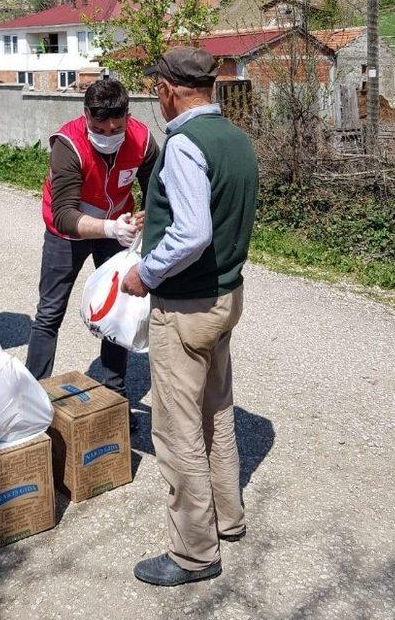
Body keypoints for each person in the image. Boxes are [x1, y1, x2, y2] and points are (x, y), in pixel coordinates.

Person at [121, 47, 258, 587]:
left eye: (155, 87)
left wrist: (145, 274)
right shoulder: (236, 139)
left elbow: (193, 232)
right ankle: (228, 517)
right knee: (215, 411)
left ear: (168, 89)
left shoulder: (183, 144)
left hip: (186, 305)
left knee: (177, 430)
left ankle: (194, 553)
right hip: (226, 299)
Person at [26, 78, 159, 417]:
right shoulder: (67, 145)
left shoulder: (142, 141)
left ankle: (114, 396)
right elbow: (65, 215)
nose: (108, 135)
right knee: (49, 312)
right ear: (86, 116)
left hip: (116, 231)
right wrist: (110, 226)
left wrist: (143, 222)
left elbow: (157, 193)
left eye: (116, 128)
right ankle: (31, 397)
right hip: (67, 235)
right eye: (99, 128)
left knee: (119, 311)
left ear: (128, 116)